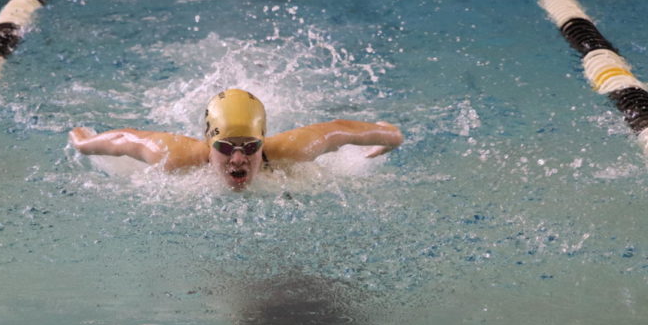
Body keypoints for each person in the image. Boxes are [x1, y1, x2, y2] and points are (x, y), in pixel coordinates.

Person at [69, 88, 403, 190]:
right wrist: (84, 141)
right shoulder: (174, 155)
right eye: (226, 148)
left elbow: (342, 129)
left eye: (250, 147)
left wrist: (388, 138)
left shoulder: (295, 148)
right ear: (209, 144)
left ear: (263, 142)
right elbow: (125, 140)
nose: (238, 159)